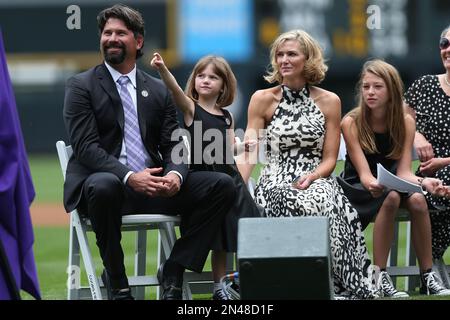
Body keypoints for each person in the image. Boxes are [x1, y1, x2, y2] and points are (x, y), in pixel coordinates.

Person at [63, 4, 236, 300]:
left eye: (120, 33)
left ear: (138, 42)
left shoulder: (157, 89)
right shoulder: (81, 85)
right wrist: (130, 176)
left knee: (221, 185)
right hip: (107, 189)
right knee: (103, 184)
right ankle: (118, 283)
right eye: (107, 33)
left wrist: (176, 176)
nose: (112, 39)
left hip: (156, 187)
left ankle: (174, 268)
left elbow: (174, 144)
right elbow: (86, 148)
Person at [238, 29, 377, 299]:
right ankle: (306, 283)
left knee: (322, 197)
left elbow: (328, 159)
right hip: (276, 178)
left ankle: (333, 283)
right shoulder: (261, 99)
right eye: (280, 54)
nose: (284, 60)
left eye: (292, 54)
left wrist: (312, 177)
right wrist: (239, 185)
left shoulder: (330, 101)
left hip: (316, 175)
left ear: (308, 59)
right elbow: (250, 152)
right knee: (290, 197)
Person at [150, 53, 261, 300]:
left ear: (224, 85)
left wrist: (242, 147)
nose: (206, 81)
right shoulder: (191, 108)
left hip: (230, 177)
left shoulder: (227, 116)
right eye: (201, 76)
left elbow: (227, 147)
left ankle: (243, 279)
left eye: (213, 77)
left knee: (249, 225)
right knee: (220, 233)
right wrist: (162, 69)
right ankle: (218, 286)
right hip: (207, 179)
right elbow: (175, 90)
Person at [338, 59, 450, 297]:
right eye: (366, 86)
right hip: (360, 186)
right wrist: (380, 184)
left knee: (419, 201)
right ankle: (380, 277)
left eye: (377, 87)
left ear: (392, 90)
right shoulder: (351, 122)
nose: (370, 92)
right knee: (390, 198)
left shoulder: (406, 121)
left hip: (393, 183)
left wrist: (425, 183)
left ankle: (428, 276)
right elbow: (365, 176)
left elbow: (404, 173)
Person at [404, 24, 450, 268]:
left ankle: (432, 257)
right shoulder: (424, 86)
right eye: (445, 44)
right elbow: (400, 119)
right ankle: (432, 260)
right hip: (428, 178)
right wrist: (415, 136)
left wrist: (444, 161)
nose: (448, 49)